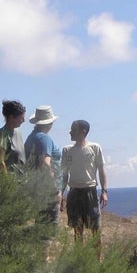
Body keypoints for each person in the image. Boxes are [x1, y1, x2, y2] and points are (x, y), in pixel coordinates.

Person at [60, 120, 108, 248]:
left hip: (90, 192)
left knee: (95, 229)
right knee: (77, 229)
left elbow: (101, 170)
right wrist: (61, 193)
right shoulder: (67, 150)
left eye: (73, 130)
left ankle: (97, 263)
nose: (70, 132)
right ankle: (80, 261)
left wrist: (104, 191)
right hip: (74, 192)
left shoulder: (94, 148)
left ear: (83, 132)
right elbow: (64, 175)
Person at [24, 105, 62, 224]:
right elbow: (45, 165)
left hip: (37, 189)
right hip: (47, 191)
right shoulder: (44, 138)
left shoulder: (31, 137)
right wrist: (55, 190)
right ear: (49, 123)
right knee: (48, 230)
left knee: (40, 227)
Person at [0, 99, 26, 174]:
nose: (24, 120)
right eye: (21, 118)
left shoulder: (18, 134)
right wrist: (8, 183)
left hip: (21, 181)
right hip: (10, 181)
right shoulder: (2, 134)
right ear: (11, 118)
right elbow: (1, 161)